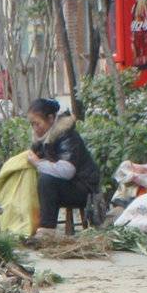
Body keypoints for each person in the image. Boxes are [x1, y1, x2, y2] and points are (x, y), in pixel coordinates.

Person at [22, 97, 100, 233]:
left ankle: (47, 229)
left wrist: (38, 163)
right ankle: (14, 220)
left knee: (46, 180)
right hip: (67, 186)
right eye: (32, 124)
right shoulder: (44, 138)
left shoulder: (68, 136)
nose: (35, 128)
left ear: (51, 118)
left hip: (83, 189)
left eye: (37, 124)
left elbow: (67, 171)